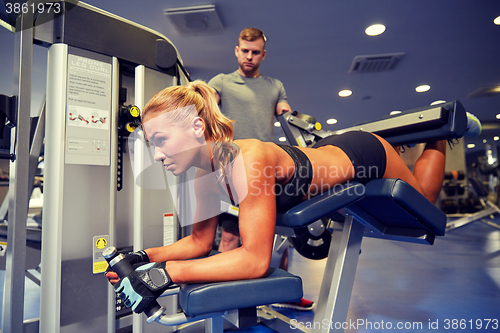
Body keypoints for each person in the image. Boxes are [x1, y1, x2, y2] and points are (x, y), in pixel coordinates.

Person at [106, 80, 451, 315]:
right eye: (153, 145)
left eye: (162, 141)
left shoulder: (244, 160)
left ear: (197, 128)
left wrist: (165, 274)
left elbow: (255, 261)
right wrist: (143, 257)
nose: (157, 156)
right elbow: (198, 242)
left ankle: (442, 132)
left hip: (363, 154)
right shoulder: (203, 178)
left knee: (423, 200)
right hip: (324, 154)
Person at [207, 27, 313, 310]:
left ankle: (285, 293)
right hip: (232, 168)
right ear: (236, 51)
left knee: (281, 234)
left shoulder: (274, 85)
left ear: (263, 54)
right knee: (230, 234)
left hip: (267, 169)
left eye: (255, 52)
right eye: (245, 51)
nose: (249, 57)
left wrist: (297, 123)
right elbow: (207, 100)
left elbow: (286, 114)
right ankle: (219, 298)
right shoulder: (222, 82)